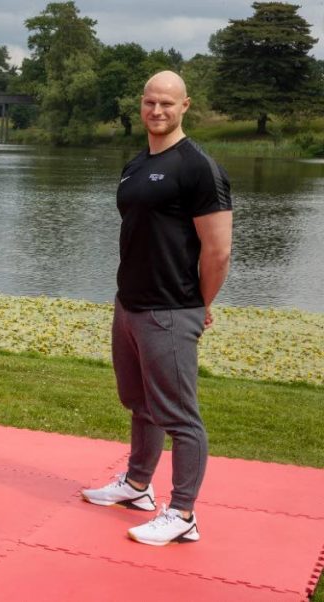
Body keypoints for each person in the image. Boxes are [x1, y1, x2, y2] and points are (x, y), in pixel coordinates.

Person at [80, 71, 232, 545]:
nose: (157, 110)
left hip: (170, 308)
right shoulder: (136, 164)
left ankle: (183, 513)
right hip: (129, 304)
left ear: (185, 106)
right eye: (150, 102)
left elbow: (219, 251)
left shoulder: (198, 168)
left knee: (180, 417)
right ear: (141, 104)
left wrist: (199, 305)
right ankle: (137, 485)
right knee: (139, 402)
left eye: (167, 103)